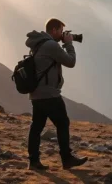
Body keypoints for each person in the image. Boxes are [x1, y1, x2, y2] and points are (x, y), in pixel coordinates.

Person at [24, 18, 88, 170]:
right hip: (50, 94)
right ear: (53, 30)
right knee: (63, 123)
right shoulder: (50, 45)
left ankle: (33, 161)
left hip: (37, 94)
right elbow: (70, 62)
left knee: (37, 127)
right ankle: (67, 159)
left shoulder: (39, 43)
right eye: (60, 31)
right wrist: (68, 44)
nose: (61, 34)